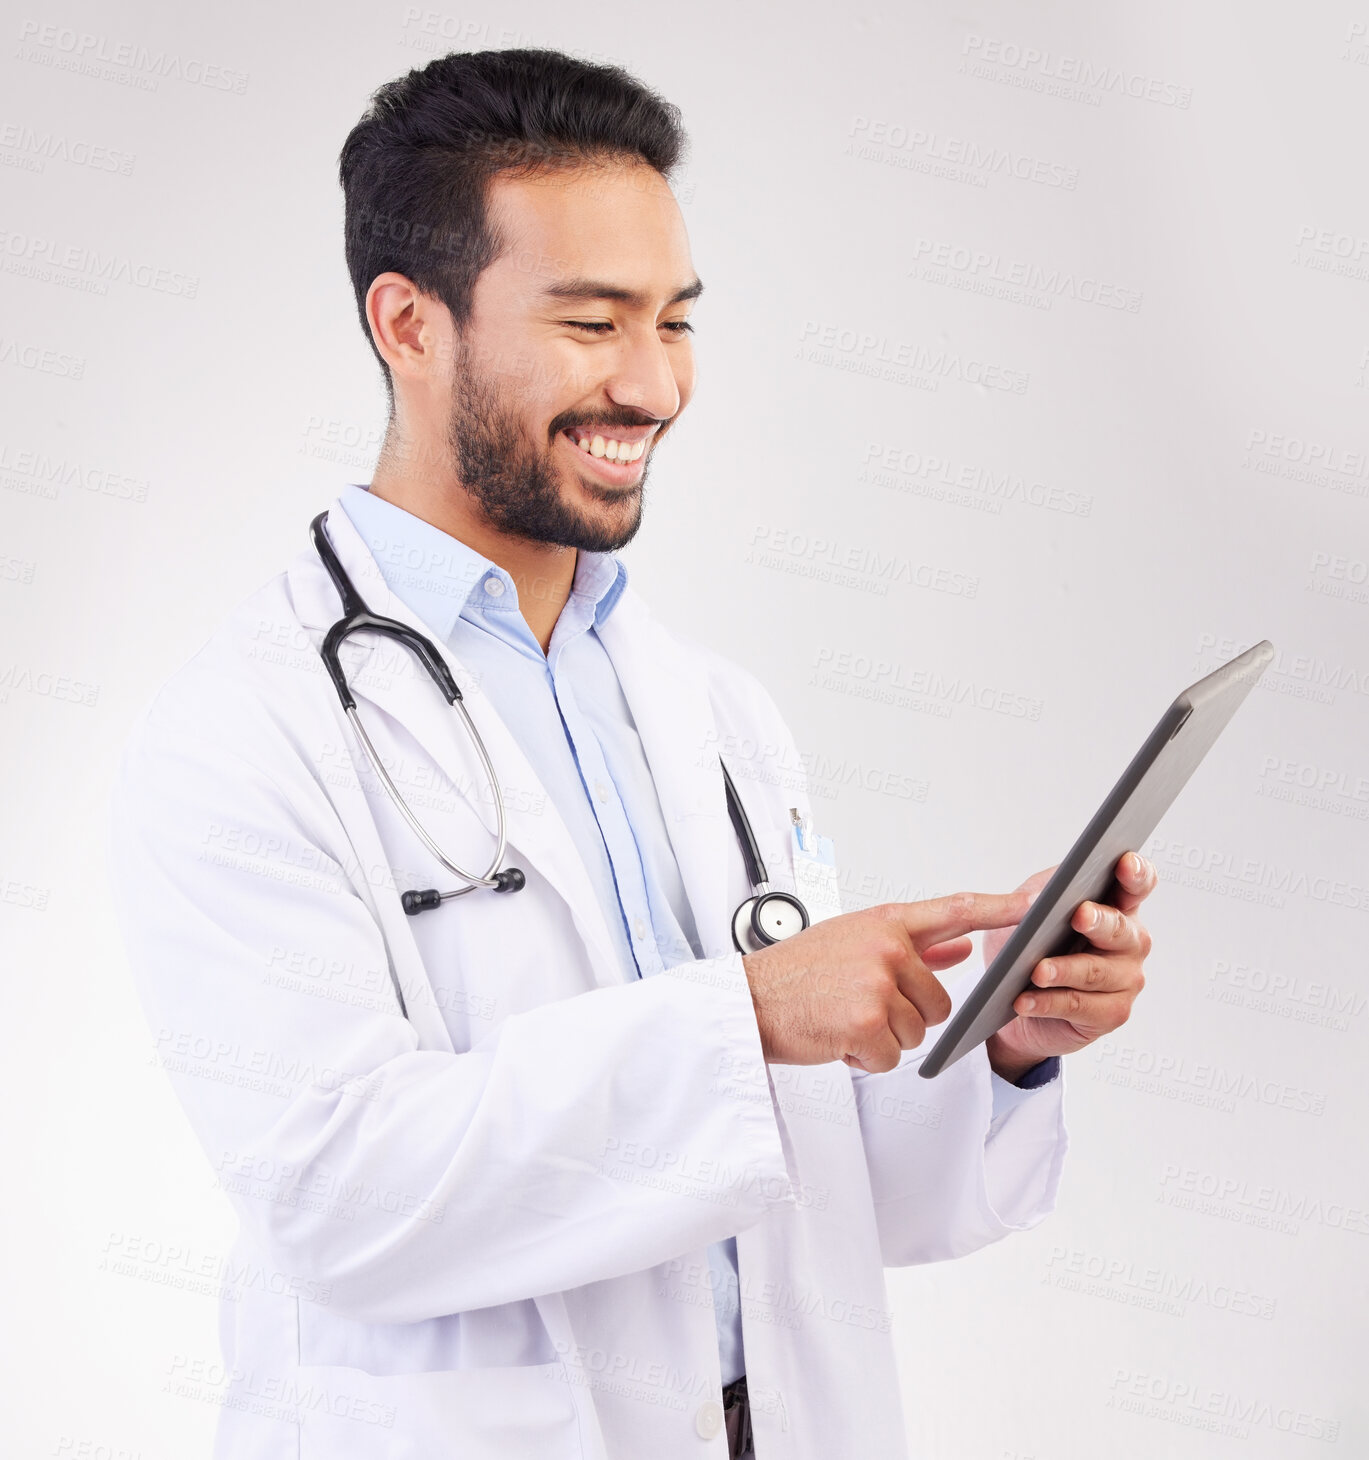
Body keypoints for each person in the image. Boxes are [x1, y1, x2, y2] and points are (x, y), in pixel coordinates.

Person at [107, 48, 1154, 1460]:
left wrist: (1004, 1043)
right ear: (410, 325)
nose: (653, 386)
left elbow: (815, 1180)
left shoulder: (711, 710)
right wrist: (752, 1014)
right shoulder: (245, 729)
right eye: (592, 324)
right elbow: (337, 1199)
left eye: (673, 321)